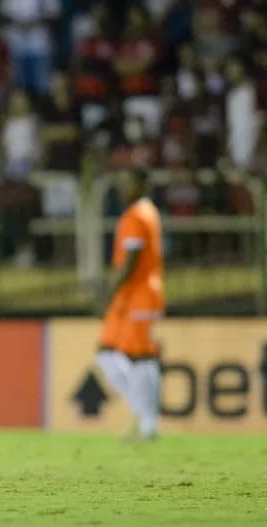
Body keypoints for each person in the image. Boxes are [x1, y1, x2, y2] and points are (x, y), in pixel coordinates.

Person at [95, 168, 164, 441]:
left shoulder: (137, 215)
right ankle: (143, 413)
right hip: (131, 295)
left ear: (142, 185)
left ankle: (148, 424)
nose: (124, 187)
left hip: (140, 294)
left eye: (129, 182)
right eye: (122, 181)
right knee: (106, 352)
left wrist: (109, 290)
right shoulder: (145, 212)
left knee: (139, 356)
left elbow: (131, 261)